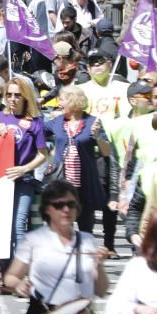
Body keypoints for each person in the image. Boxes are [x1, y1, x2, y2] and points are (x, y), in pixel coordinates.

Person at [4, 180, 108, 314]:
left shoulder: (87, 240)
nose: (66, 210)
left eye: (71, 205)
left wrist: (99, 266)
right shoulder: (34, 240)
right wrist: (18, 284)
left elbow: (101, 291)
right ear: (47, 209)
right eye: (59, 205)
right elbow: (10, 277)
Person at [0, 76, 49, 251]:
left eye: (17, 95)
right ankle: (5, 269)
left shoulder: (35, 122)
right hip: (1, 181)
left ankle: (20, 270)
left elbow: (42, 155)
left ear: (25, 97)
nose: (12, 99)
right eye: (9, 95)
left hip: (24, 180)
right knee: (3, 227)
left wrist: (24, 169)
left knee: (18, 224)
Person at [44, 85, 110, 235]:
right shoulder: (57, 121)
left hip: (84, 185)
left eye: (62, 100)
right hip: (62, 184)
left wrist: (98, 135)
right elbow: (37, 132)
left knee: (85, 227)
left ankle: (83, 255)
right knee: (62, 226)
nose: (58, 103)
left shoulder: (93, 122)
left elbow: (106, 152)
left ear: (73, 101)